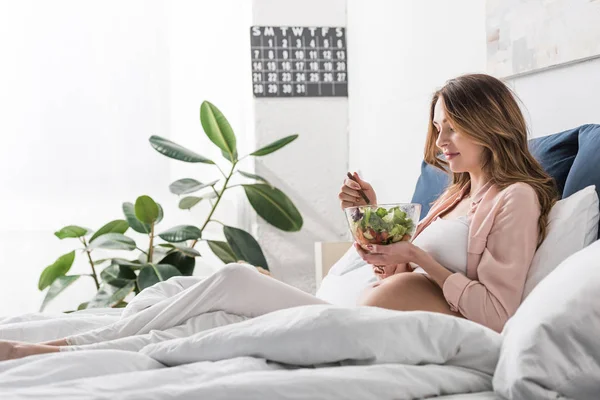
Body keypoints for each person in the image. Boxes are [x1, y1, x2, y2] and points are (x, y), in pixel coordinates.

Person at [0, 73, 557, 361]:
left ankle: (55, 351)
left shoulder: (515, 199)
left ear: (490, 124)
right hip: (347, 308)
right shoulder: (453, 195)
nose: (439, 141)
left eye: (451, 128)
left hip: (368, 328)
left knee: (234, 281)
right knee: (223, 303)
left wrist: (413, 256)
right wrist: (371, 225)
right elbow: (399, 276)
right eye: (437, 126)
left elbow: (497, 313)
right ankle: (65, 348)